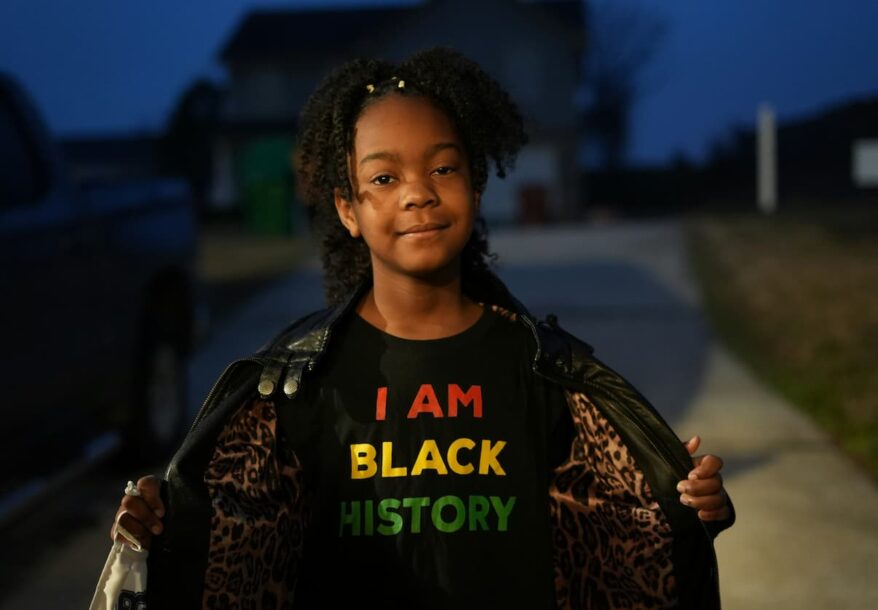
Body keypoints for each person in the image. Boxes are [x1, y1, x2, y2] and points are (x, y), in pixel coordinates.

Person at [111, 47, 734, 609]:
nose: (418, 195)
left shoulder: (546, 370)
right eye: (384, 178)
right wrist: (166, 523)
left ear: (476, 186)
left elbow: (619, 535)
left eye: (443, 169)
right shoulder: (298, 384)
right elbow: (234, 537)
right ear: (348, 209)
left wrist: (686, 508)